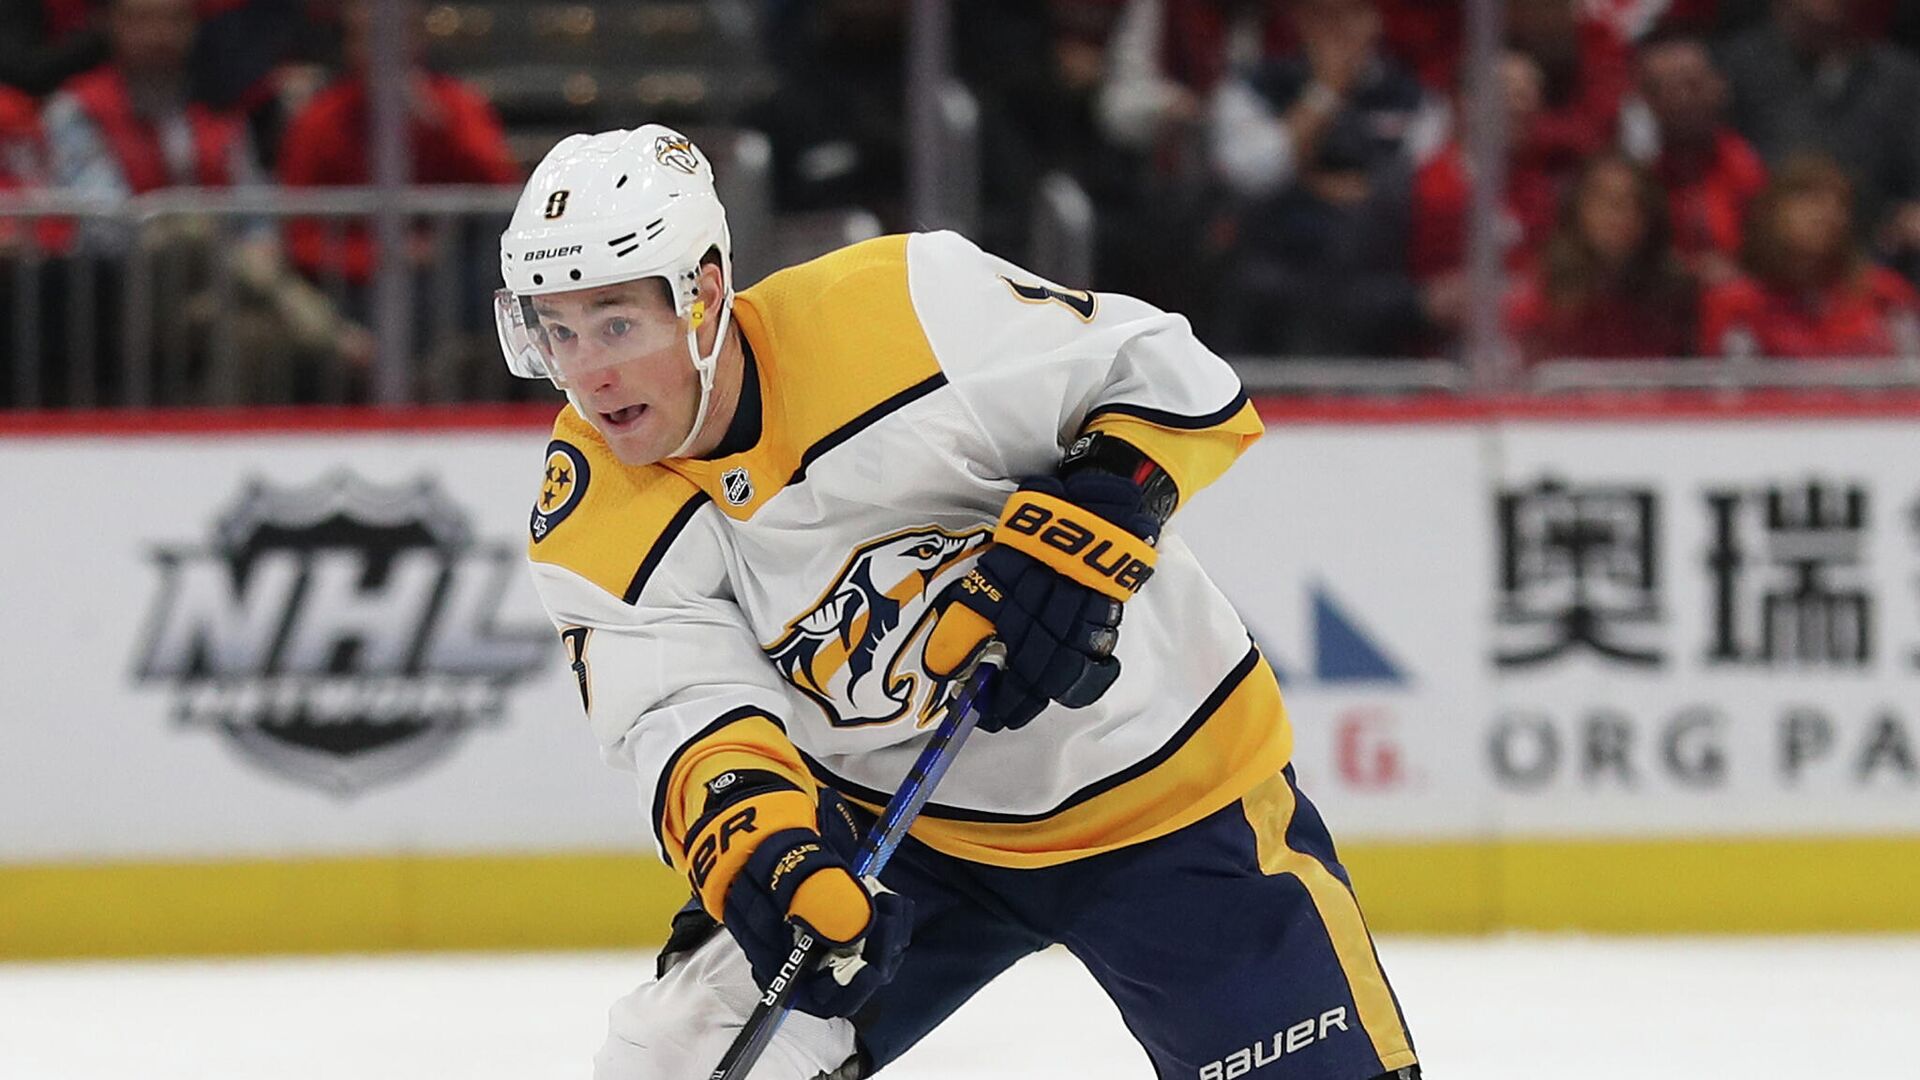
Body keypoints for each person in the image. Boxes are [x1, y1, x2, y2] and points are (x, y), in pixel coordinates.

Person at [499, 125, 1420, 1080]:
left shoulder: (900, 309)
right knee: (675, 1057)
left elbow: (1172, 376)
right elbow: (687, 714)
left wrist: (1093, 515)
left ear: (704, 293)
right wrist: (774, 855)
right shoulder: (592, 511)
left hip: (1163, 791)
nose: (586, 374)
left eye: (615, 325)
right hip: (903, 830)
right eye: (555, 332)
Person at [1702, 153, 1920, 359]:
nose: (1825, 213)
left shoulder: (1886, 296)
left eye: (1838, 203)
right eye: (1807, 199)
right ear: (1770, 213)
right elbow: (1729, 393)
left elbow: (1911, 380)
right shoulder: (1735, 306)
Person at [1507, 153, 1698, 363]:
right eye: (1608, 202)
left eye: (1633, 203)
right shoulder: (1544, 288)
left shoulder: (1677, 290)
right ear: (1579, 208)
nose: (1620, 216)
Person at [1623, 28, 1767, 286]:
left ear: (1719, 85)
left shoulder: (1751, 162)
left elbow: (1774, 249)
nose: (1681, 98)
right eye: (1664, 89)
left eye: (1692, 84)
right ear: (1644, 99)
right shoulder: (1631, 173)